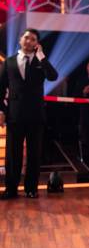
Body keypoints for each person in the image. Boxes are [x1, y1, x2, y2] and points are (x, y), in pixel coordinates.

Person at [0, 28, 58, 199]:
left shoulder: (41, 62)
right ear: (20, 40)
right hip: (14, 115)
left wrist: (42, 57)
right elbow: (1, 88)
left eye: (33, 39)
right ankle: (11, 189)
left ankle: (31, 189)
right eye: (26, 37)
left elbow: (53, 76)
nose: (28, 41)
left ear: (36, 43)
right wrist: (1, 111)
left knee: (34, 154)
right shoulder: (9, 62)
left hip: (35, 115)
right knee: (12, 154)